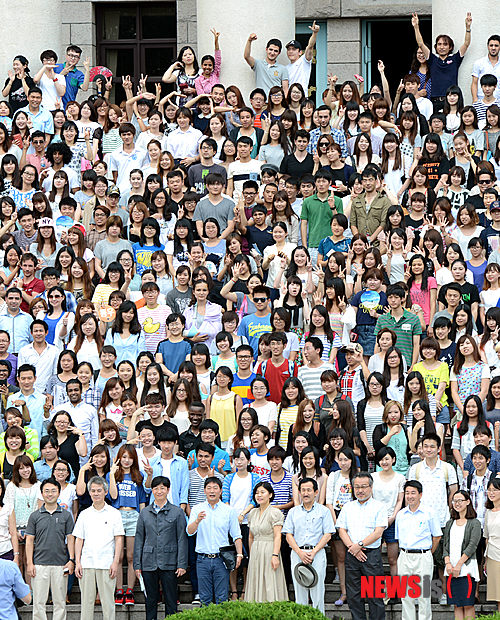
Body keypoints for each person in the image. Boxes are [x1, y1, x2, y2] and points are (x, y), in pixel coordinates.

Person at [133, 476, 188, 618]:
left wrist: (182, 564)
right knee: (150, 600)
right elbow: (139, 538)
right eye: (156, 488)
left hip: (169, 561)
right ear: (152, 490)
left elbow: (181, 539)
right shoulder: (145, 512)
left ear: (168, 490)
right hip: (149, 561)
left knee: (170, 599)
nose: (159, 491)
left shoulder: (177, 512)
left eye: (162, 488)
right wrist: (137, 564)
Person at [337, 472, 388, 620]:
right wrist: (352, 548)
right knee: (353, 595)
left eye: (364, 487)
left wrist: (359, 545)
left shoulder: (379, 507)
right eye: (357, 487)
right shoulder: (348, 507)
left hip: (371, 555)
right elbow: (341, 530)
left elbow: (378, 532)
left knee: (375, 595)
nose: (360, 490)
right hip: (352, 554)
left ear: (371, 488)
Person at [73, 476, 124, 620]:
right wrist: (77, 561)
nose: (96, 493)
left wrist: (115, 562)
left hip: (106, 562)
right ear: (89, 493)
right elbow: (79, 539)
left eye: (99, 490)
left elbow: (119, 539)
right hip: (87, 562)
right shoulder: (84, 514)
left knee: (108, 603)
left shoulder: (114, 513)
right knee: (86, 603)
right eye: (93, 491)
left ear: (105, 492)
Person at [187, 476, 243, 605]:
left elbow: (236, 535)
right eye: (209, 488)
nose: (212, 491)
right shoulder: (197, 509)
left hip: (221, 559)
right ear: (204, 491)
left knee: (222, 598)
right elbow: (189, 531)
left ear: (221, 491)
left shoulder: (229, 511)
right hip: (202, 559)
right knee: (204, 598)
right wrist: (197, 521)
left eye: (215, 488)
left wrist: (239, 554)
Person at [282, 477, 334, 614]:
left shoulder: (324, 511)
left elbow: (328, 534)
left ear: (316, 492)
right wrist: (299, 552)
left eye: (309, 490)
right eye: (303, 490)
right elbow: (288, 535)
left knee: (317, 593)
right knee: (300, 593)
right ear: (299, 492)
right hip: (297, 553)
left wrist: (314, 552)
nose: (305, 493)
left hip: (316, 553)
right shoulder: (293, 512)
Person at [25, 477, 75, 620]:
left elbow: (70, 538)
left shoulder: (66, 515)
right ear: (42, 494)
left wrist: (71, 559)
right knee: (39, 603)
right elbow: (29, 540)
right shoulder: (35, 516)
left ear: (59, 493)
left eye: (53, 491)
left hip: (60, 564)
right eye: (46, 491)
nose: (50, 494)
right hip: (39, 564)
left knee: (60, 603)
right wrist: (30, 563)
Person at [395, 480, 443, 619]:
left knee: (424, 595)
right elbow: (399, 538)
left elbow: (437, 536)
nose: (410, 496)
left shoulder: (429, 513)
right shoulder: (401, 515)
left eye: (413, 493)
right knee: (406, 594)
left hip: (423, 556)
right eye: (407, 493)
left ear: (420, 494)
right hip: (404, 555)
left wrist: (428, 553)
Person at [412, 12, 472, 111]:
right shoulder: (432, 59)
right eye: (439, 44)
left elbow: (466, 43)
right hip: (435, 100)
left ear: (450, 47)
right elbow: (421, 44)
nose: (442, 47)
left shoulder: (455, 59)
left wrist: (468, 28)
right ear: (436, 47)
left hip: (451, 100)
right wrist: (416, 27)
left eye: (445, 44)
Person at [245, 480, 288, 602]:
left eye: (262, 492)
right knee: (255, 580)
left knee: (269, 581)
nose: (259, 495)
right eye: (257, 493)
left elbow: (277, 536)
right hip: (255, 550)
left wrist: (275, 555)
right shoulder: (252, 513)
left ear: (270, 495)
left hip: (270, 549)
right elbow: (251, 536)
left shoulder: (275, 512)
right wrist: (251, 553)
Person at [442, 489, 482, 616]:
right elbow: (445, 545)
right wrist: (448, 563)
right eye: (455, 501)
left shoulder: (474, 523)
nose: (457, 503)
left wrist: (459, 565)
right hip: (451, 569)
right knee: (457, 604)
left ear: (468, 502)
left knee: (468, 604)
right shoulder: (450, 523)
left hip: (466, 569)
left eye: (460, 500)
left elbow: (472, 545)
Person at [374, 284, 422, 369]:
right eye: (390, 297)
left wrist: (413, 365)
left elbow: (416, 344)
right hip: (385, 364)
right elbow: (377, 344)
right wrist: (376, 363)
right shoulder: (382, 319)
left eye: (396, 297)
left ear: (402, 298)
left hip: (406, 363)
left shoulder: (414, 319)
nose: (393, 300)